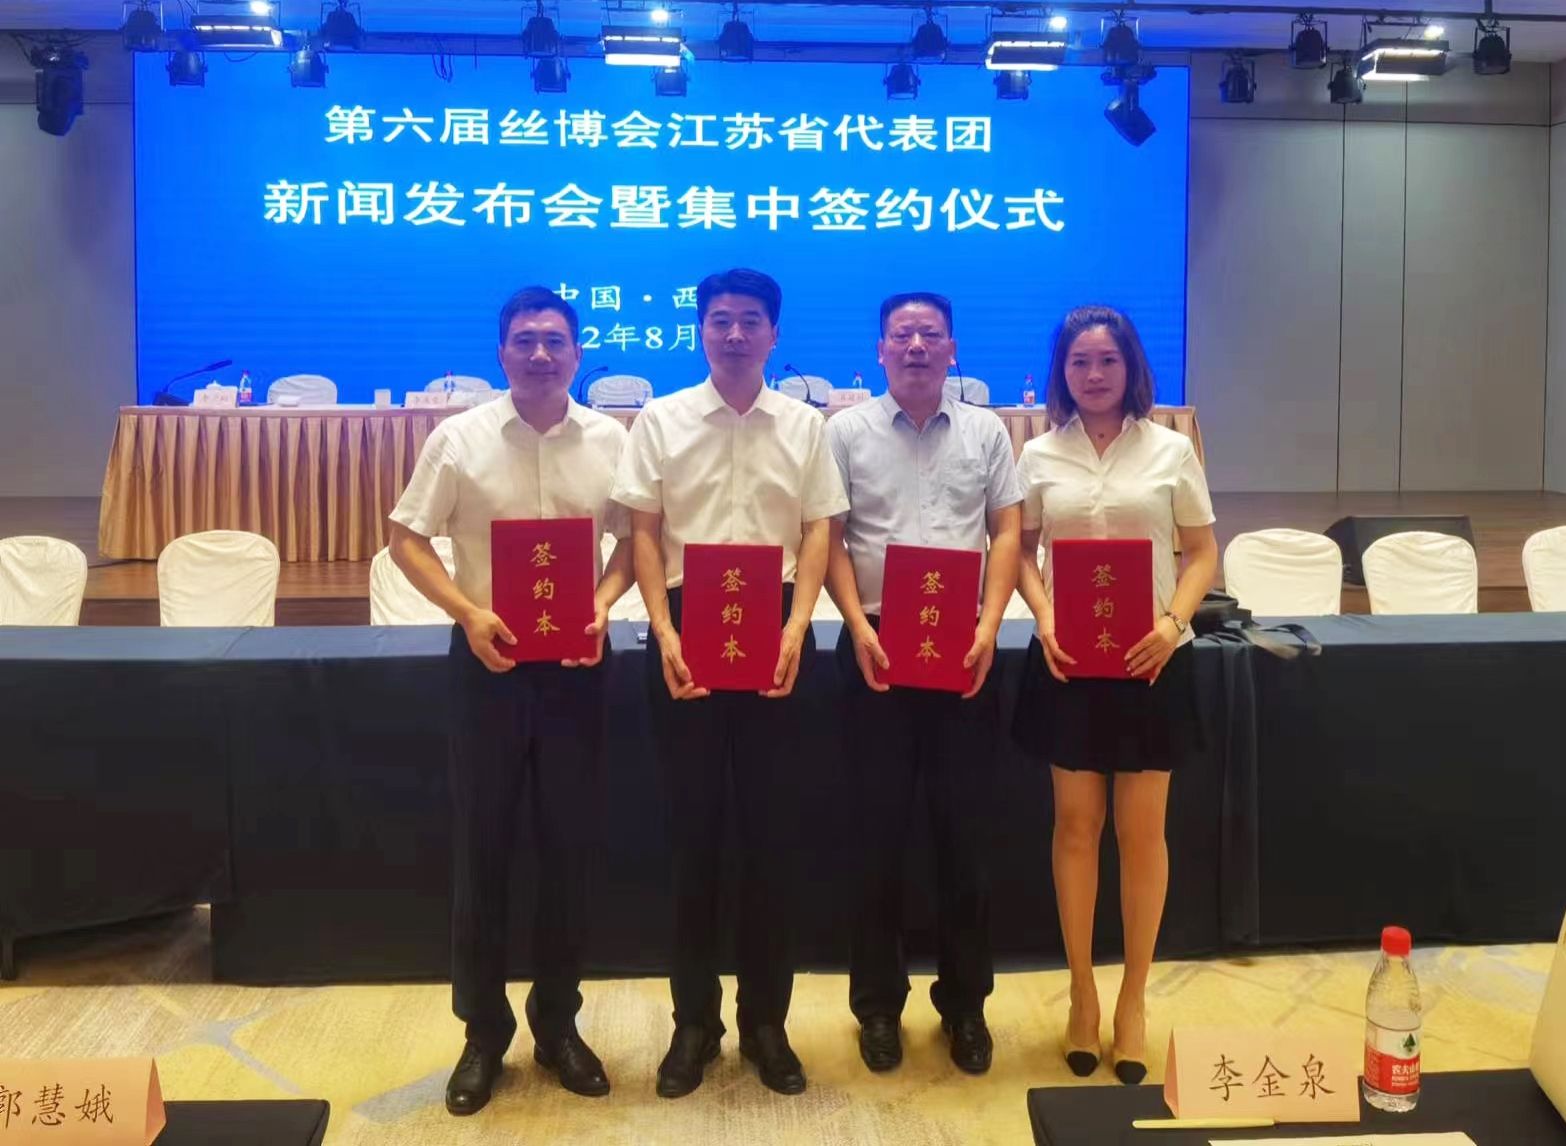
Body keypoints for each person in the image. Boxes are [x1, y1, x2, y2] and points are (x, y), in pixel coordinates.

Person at [388, 286, 635, 1116]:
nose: (539, 354)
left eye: (554, 341)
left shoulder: (610, 439)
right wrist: (467, 612)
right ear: (501, 353)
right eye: (524, 340)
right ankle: (483, 1035)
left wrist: (603, 602)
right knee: (482, 851)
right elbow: (406, 539)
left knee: (570, 850)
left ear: (577, 353)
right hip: (486, 663)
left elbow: (633, 542)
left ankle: (558, 1025)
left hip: (577, 666)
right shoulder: (457, 439)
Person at [611, 268, 848, 1098]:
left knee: (771, 843)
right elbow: (644, 535)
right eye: (720, 320)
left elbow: (818, 531)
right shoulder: (661, 419)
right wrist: (664, 632)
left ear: (774, 334)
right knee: (694, 842)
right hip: (686, 635)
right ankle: (694, 1026)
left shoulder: (806, 425)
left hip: (777, 634)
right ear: (701, 330)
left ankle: (766, 1025)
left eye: (751, 320)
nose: (736, 334)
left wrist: (797, 626)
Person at [1012, 305, 1217, 1085]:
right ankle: (1082, 994)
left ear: (1130, 366)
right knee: (1074, 828)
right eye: (1078, 362)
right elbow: (1021, 550)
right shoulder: (1038, 454)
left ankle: (1133, 1000)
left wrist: (1173, 622)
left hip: (1151, 663)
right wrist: (1044, 614)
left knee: (1141, 834)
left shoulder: (1170, 449)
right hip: (1068, 661)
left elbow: (1202, 551)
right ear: (1061, 372)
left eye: (1107, 360)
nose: (1093, 375)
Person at [823, 292, 1021, 1075]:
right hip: (876, 647)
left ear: (951, 347)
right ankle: (877, 1007)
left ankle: (965, 1004)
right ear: (880, 349)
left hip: (963, 649)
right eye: (901, 334)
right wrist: (857, 627)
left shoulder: (986, 432)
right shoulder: (845, 432)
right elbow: (829, 539)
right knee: (875, 839)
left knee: (963, 839)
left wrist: (988, 626)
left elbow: (1007, 530)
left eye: (929, 334)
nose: (915, 346)